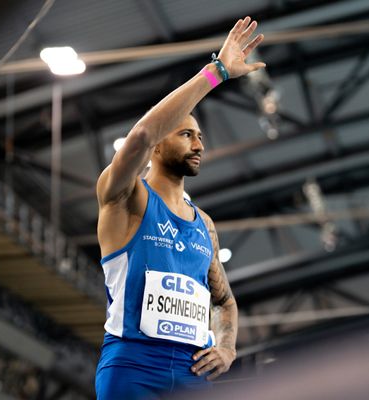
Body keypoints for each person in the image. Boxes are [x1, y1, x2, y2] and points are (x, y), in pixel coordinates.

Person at [94, 17, 266, 400]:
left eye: (201, 137)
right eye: (186, 134)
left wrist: (226, 347)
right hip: (132, 367)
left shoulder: (204, 224)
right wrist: (216, 72)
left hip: (193, 375)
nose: (199, 145)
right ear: (157, 147)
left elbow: (223, 301)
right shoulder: (125, 197)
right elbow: (141, 134)